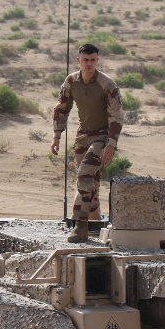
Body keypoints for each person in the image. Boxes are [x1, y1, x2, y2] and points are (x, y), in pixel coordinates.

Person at [49, 43, 124, 243]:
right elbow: (62, 108)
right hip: (82, 136)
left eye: (93, 60)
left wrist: (111, 145)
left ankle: (80, 226)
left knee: (84, 175)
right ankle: (95, 222)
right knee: (92, 183)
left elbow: (116, 116)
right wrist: (57, 136)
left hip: (102, 137)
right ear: (78, 60)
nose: (89, 64)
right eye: (85, 60)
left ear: (97, 60)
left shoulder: (107, 84)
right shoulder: (71, 81)